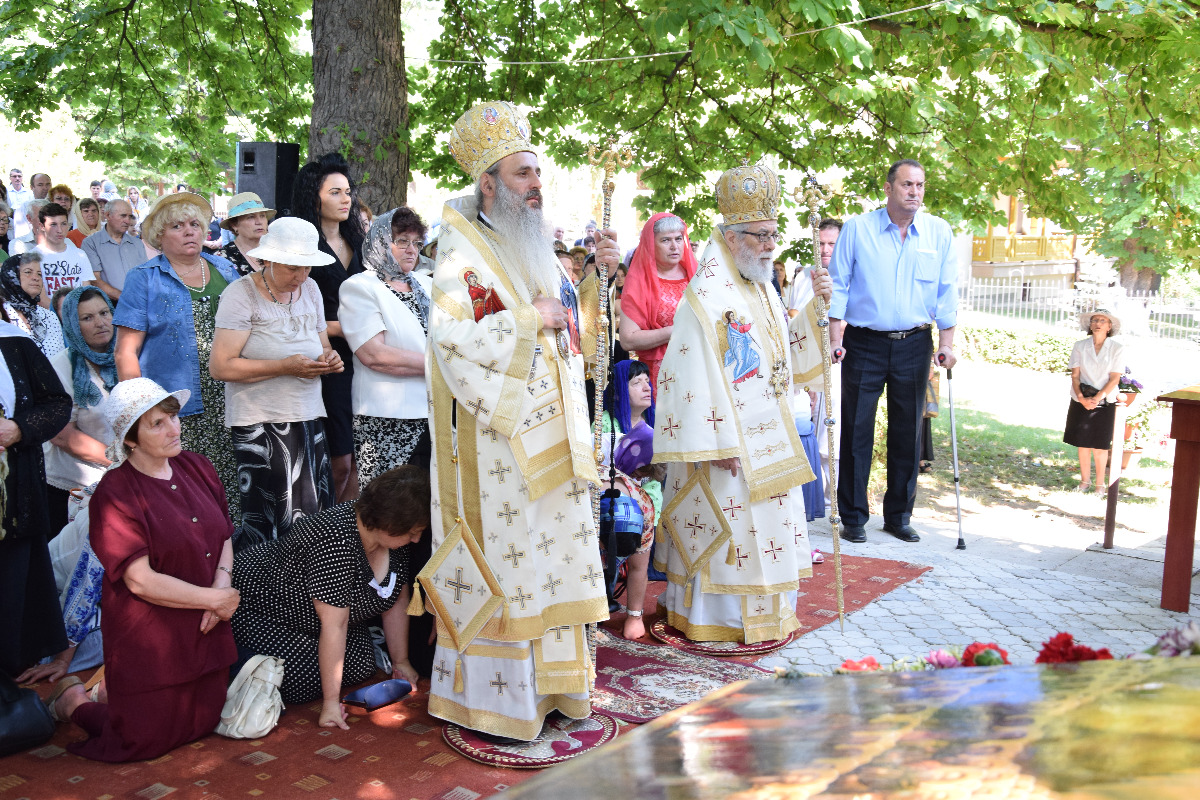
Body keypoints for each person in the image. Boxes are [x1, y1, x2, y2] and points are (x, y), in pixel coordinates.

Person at [421, 100, 611, 740]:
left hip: (550, 436)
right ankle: (502, 702)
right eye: (523, 174)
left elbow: (563, 326)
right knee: (513, 562)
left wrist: (589, 292)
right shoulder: (461, 254)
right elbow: (452, 341)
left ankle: (556, 689)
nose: (537, 185)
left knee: (550, 558)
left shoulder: (525, 243)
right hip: (497, 444)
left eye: (537, 173)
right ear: (489, 184)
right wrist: (532, 319)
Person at [652, 160, 830, 644]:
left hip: (770, 432)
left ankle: (768, 616)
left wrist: (816, 312)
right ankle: (720, 621)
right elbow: (687, 376)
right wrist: (718, 440)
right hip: (726, 442)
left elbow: (779, 352)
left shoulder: (761, 286)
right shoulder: (707, 295)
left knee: (767, 528)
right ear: (732, 237)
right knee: (730, 526)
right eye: (760, 235)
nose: (771, 246)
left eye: (774, 234)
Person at [43, 378, 239, 762]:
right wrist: (214, 599)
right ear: (129, 439)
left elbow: (224, 534)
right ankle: (73, 702)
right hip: (152, 637)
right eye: (157, 424)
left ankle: (109, 695)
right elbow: (139, 580)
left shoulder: (197, 465)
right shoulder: (114, 493)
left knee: (203, 722)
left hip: (207, 624)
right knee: (141, 741)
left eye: (172, 417)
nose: (173, 429)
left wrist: (222, 583)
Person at [231, 466, 426, 725]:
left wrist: (401, 661)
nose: (416, 540)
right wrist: (331, 704)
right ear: (388, 523)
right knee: (300, 681)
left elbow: (397, 599)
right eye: (412, 532)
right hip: (259, 607)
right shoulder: (332, 540)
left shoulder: (391, 539)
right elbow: (335, 625)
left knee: (362, 666)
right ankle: (231, 656)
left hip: (319, 620)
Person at [829, 159, 958, 544]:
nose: (914, 191)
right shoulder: (857, 229)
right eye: (906, 184)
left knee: (908, 430)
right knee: (856, 428)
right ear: (888, 188)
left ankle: (898, 515)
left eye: (920, 185)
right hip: (864, 342)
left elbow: (947, 292)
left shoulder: (938, 233)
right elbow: (838, 286)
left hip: (915, 343)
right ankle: (853, 516)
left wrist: (948, 344)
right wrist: (836, 339)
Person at [209, 217, 341, 548]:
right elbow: (221, 366)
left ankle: (307, 593)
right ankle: (267, 596)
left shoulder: (310, 289)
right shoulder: (240, 295)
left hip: (308, 417)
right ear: (268, 259)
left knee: (313, 518)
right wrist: (283, 366)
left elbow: (323, 345)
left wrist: (330, 359)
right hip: (261, 424)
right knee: (271, 522)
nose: (301, 276)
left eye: (307, 267)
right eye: (292, 267)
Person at [113, 192, 242, 520]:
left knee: (235, 495)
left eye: (195, 225)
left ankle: (233, 564)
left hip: (231, 399)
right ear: (159, 235)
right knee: (187, 498)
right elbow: (126, 351)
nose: (190, 232)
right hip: (176, 407)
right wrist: (140, 412)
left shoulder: (225, 270)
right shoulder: (143, 278)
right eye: (177, 226)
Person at [0, 308, 73, 679]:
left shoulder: (14, 342)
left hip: (12, 500)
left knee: (11, 597)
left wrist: (19, 429)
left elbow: (57, 403)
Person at [291, 152, 366, 503]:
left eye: (347, 191)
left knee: (361, 460)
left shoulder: (361, 242)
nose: (345, 198)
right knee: (340, 460)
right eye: (334, 192)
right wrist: (344, 328)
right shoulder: (302, 248)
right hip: (328, 361)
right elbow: (296, 310)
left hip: (367, 357)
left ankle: (351, 531)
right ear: (314, 197)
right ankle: (325, 529)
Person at [339, 208, 432, 489]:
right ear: (380, 241)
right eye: (402, 241)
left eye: (416, 243)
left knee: (429, 505)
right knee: (386, 506)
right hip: (385, 417)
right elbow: (375, 356)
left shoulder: (428, 284)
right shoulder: (360, 286)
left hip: (434, 413)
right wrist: (443, 365)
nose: (411, 250)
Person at [45, 287, 117, 535]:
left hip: (121, 477)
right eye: (87, 318)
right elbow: (61, 434)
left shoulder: (126, 356)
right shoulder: (61, 367)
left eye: (104, 312)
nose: (101, 323)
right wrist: (120, 459)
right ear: (73, 325)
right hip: (73, 487)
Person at [599, 360, 660, 640]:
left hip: (647, 502)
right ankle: (595, 609)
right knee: (601, 556)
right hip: (610, 501)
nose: (646, 387)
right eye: (637, 383)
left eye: (647, 381)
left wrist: (654, 469)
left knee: (639, 562)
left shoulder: (657, 427)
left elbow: (662, 473)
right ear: (621, 392)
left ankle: (634, 615)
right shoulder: (605, 423)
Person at [619, 212, 699, 390]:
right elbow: (628, 339)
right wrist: (676, 330)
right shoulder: (639, 281)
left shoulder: (697, 275)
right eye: (665, 240)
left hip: (698, 368)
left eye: (679, 239)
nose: (674, 246)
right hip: (660, 376)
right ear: (651, 244)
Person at [1064, 309, 1125, 496]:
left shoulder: (1117, 348)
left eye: (1103, 320)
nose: (1098, 323)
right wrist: (1082, 398)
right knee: (1083, 443)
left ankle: (1100, 486)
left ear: (1109, 326)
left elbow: (1115, 378)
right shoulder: (1080, 346)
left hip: (1105, 401)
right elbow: (1075, 375)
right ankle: (1084, 482)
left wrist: (1097, 398)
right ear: (1090, 325)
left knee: (1100, 445)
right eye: (1095, 320)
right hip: (1081, 398)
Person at [1, 253, 65, 358]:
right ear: (11, 276)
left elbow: (61, 358)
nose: (36, 278)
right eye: (28, 272)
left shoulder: (50, 316)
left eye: (39, 274)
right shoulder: (3, 315)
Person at [81, 198, 143, 301]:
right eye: (123, 216)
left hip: (139, 303)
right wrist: (126, 298)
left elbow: (145, 275)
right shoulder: (91, 243)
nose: (127, 221)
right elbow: (95, 280)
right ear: (108, 215)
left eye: (130, 216)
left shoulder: (137, 243)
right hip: (109, 305)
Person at [36, 202, 96, 297]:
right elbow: (39, 298)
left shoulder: (80, 254)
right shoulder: (33, 257)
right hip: (48, 310)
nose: (60, 230)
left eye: (63, 224)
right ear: (42, 226)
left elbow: (86, 289)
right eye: (53, 224)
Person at [215, 192, 275, 276]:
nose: (259, 222)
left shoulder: (276, 251)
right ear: (234, 225)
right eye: (251, 217)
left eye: (262, 216)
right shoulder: (222, 258)